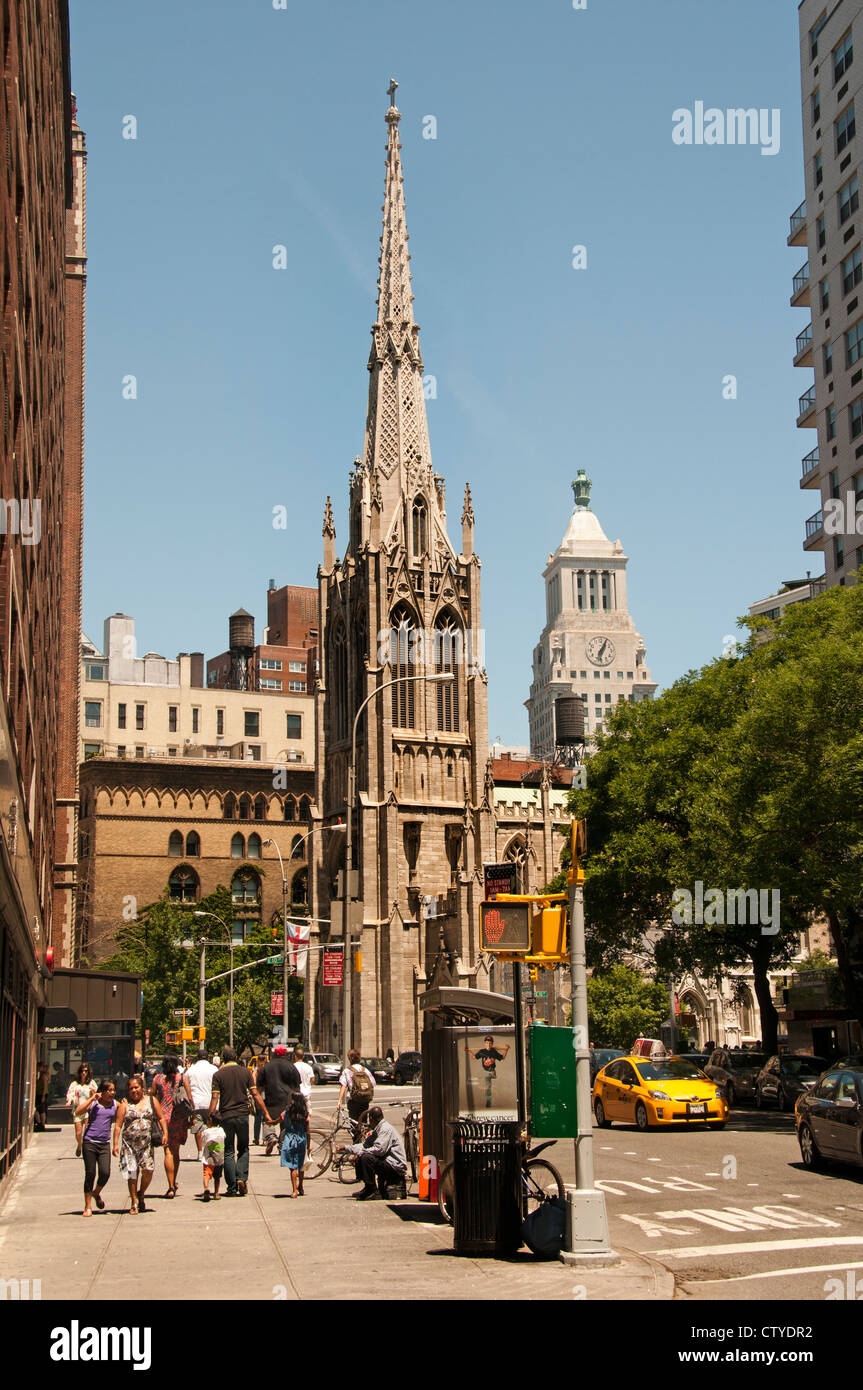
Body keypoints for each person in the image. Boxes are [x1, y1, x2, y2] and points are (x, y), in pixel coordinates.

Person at [208, 1045, 267, 1196]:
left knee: (228, 1151)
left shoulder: (218, 1075)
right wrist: (265, 1112)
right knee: (243, 1148)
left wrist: (210, 1117)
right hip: (242, 1116)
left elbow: (215, 1098)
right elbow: (255, 1094)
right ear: (235, 1058)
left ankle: (232, 1186)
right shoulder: (245, 1072)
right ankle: (241, 1177)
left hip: (226, 1116)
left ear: (223, 1059)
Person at [113, 1074, 167, 1213]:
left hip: (146, 1145)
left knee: (148, 1170)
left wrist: (165, 1133)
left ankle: (141, 1192)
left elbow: (161, 1118)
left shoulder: (151, 1100)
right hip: (129, 1146)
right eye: (131, 1088)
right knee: (131, 1173)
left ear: (142, 1088)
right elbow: (118, 1125)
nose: (134, 1091)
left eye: (136, 1087)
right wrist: (115, 1144)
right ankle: (134, 1201)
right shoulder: (125, 1105)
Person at [150, 1056, 194, 1197]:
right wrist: (192, 1116)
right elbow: (189, 1098)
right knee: (175, 1152)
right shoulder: (181, 1078)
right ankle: (173, 1182)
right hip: (178, 1119)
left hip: (163, 1119)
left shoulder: (157, 1079)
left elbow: (152, 1097)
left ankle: (170, 1186)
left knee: (167, 1152)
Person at [344, 1105, 407, 1201]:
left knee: (366, 1158)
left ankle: (372, 1189)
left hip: (395, 1167)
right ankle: (367, 1188)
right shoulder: (378, 1129)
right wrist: (346, 1148)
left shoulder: (385, 1129)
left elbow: (379, 1150)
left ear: (371, 1119)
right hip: (387, 1162)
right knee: (362, 1156)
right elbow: (365, 1145)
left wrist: (360, 1153)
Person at [76, 1079, 117, 1216]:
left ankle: (96, 1193)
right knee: (90, 1173)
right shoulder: (94, 1103)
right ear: (103, 1092)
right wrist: (92, 1098)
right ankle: (87, 1206)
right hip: (90, 1142)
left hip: (104, 1143)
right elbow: (78, 1112)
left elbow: (125, 1112)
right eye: (109, 1090)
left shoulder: (114, 1104)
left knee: (105, 1173)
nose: (112, 1093)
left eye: (113, 1090)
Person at [257, 1044, 300, 1155]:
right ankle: (282, 1145)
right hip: (287, 1100)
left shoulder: (266, 1067)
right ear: (285, 1054)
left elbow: (259, 1088)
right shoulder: (291, 1066)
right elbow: (297, 1087)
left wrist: (258, 1101)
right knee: (286, 1123)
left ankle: (271, 1137)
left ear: (274, 1053)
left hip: (271, 1099)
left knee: (267, 1119)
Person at [185, 1048, 218, 1157]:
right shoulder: (214, 1069)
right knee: (212, 1127)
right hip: (211, 1102)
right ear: (208, 1057)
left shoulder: (191, 1070)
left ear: (197, 1057)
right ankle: (212, 1150)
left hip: (196, 1102)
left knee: (198, 1128)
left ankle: (200, 1151)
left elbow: (186, 1083)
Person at [278, 1090, 310, 1197]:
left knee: (292, 1167)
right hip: (301, 1139)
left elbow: (277, 1121)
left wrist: (268, 1121)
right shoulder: (305, 1115)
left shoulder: (286, 1113)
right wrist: (309, 1146)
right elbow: (308, 1131)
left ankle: (294, 1190)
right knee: (301, 1165)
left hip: (289, 1140)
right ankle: (300, 1186)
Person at [337, 1049, 376, 1137]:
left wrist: (339, 1100)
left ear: (350, 1059)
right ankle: (364, 1140)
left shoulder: (347, 1071)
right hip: (365, 1100)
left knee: (354, 1124)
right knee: (364, 1123)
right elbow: (373, 1084)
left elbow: (343, 1085)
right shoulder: (365, 1070)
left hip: (353, 1101)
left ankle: (356, 1143)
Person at [66, 1063, 97, 1157]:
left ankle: (86, 1149)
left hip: (88, 1109)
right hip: (78, 1109)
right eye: (82, 1071)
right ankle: (79, 1145)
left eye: (86, 1071)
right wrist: (69, 1101)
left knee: (87, 1131)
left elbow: (96, 1095)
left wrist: (93, 1092)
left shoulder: (91, 1083)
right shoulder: (75, 1084)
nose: (84, 1073)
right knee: (78, 1133)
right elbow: (70, 1094)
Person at [199, 1115, 226, 1201]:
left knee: (207, 1173)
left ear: (210, 1121)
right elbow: (224, 1138)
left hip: (208, 1157)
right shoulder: (221, 1130)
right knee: (217, 1177)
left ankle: (206, 1188)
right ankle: (216, 1193)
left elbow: (202, 1142)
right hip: (219, 1157)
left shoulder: (206, 1132)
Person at [34, 1062, 50, 1130]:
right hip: (40, 1094)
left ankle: (41, 1123)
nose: (37, 1068)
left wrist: (43, 1096)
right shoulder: (42, 1075)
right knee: (40, 1110)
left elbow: (45, 1086)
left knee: (39, 1109)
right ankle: (41, 1123)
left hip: (41, 1094)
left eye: (38, 1067)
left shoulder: (44, 1076)